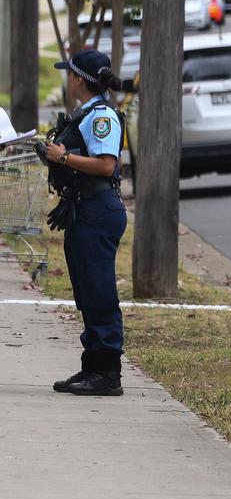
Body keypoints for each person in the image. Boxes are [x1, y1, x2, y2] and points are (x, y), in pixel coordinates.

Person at [43, 50, 128, 397]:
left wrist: (62, 156)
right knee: (86, 291)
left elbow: (107, 165)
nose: (67, 80)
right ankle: (92, 367)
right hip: (83, 208)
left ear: (79, 79)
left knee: (99, 290)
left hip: (98, 209)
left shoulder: (101, 116)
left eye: (70, 74)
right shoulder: (87, 114)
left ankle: (108, 372)